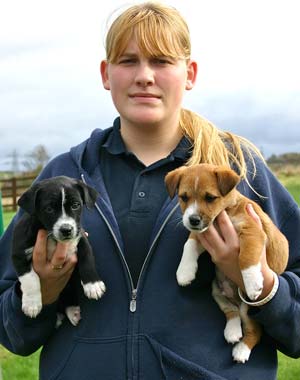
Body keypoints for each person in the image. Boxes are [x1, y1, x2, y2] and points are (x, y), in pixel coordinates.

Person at [0, 2, 299, 379]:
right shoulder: (63, 178)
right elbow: (10, 330)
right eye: (128, 61)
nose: (144, 76)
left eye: (161, 61)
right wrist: (42, 292)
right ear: (106, 74)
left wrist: (255, 280)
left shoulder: (240, 171)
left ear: (189, 73)